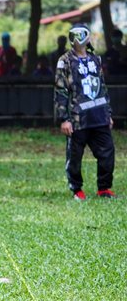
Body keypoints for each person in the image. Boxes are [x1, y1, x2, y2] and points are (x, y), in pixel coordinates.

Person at [54, 23, 115, 200]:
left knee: (107, 152)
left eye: (81, 34)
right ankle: (77, 190)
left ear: (87, 37)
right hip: (77, 119)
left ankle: (104, 188)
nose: (77, 38)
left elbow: (102, 87)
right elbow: (60, 90)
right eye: (74, 34)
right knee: (74, 156)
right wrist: (64, 119)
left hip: (99, 116)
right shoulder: (64, 61)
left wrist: (108, 114)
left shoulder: (96, 60)